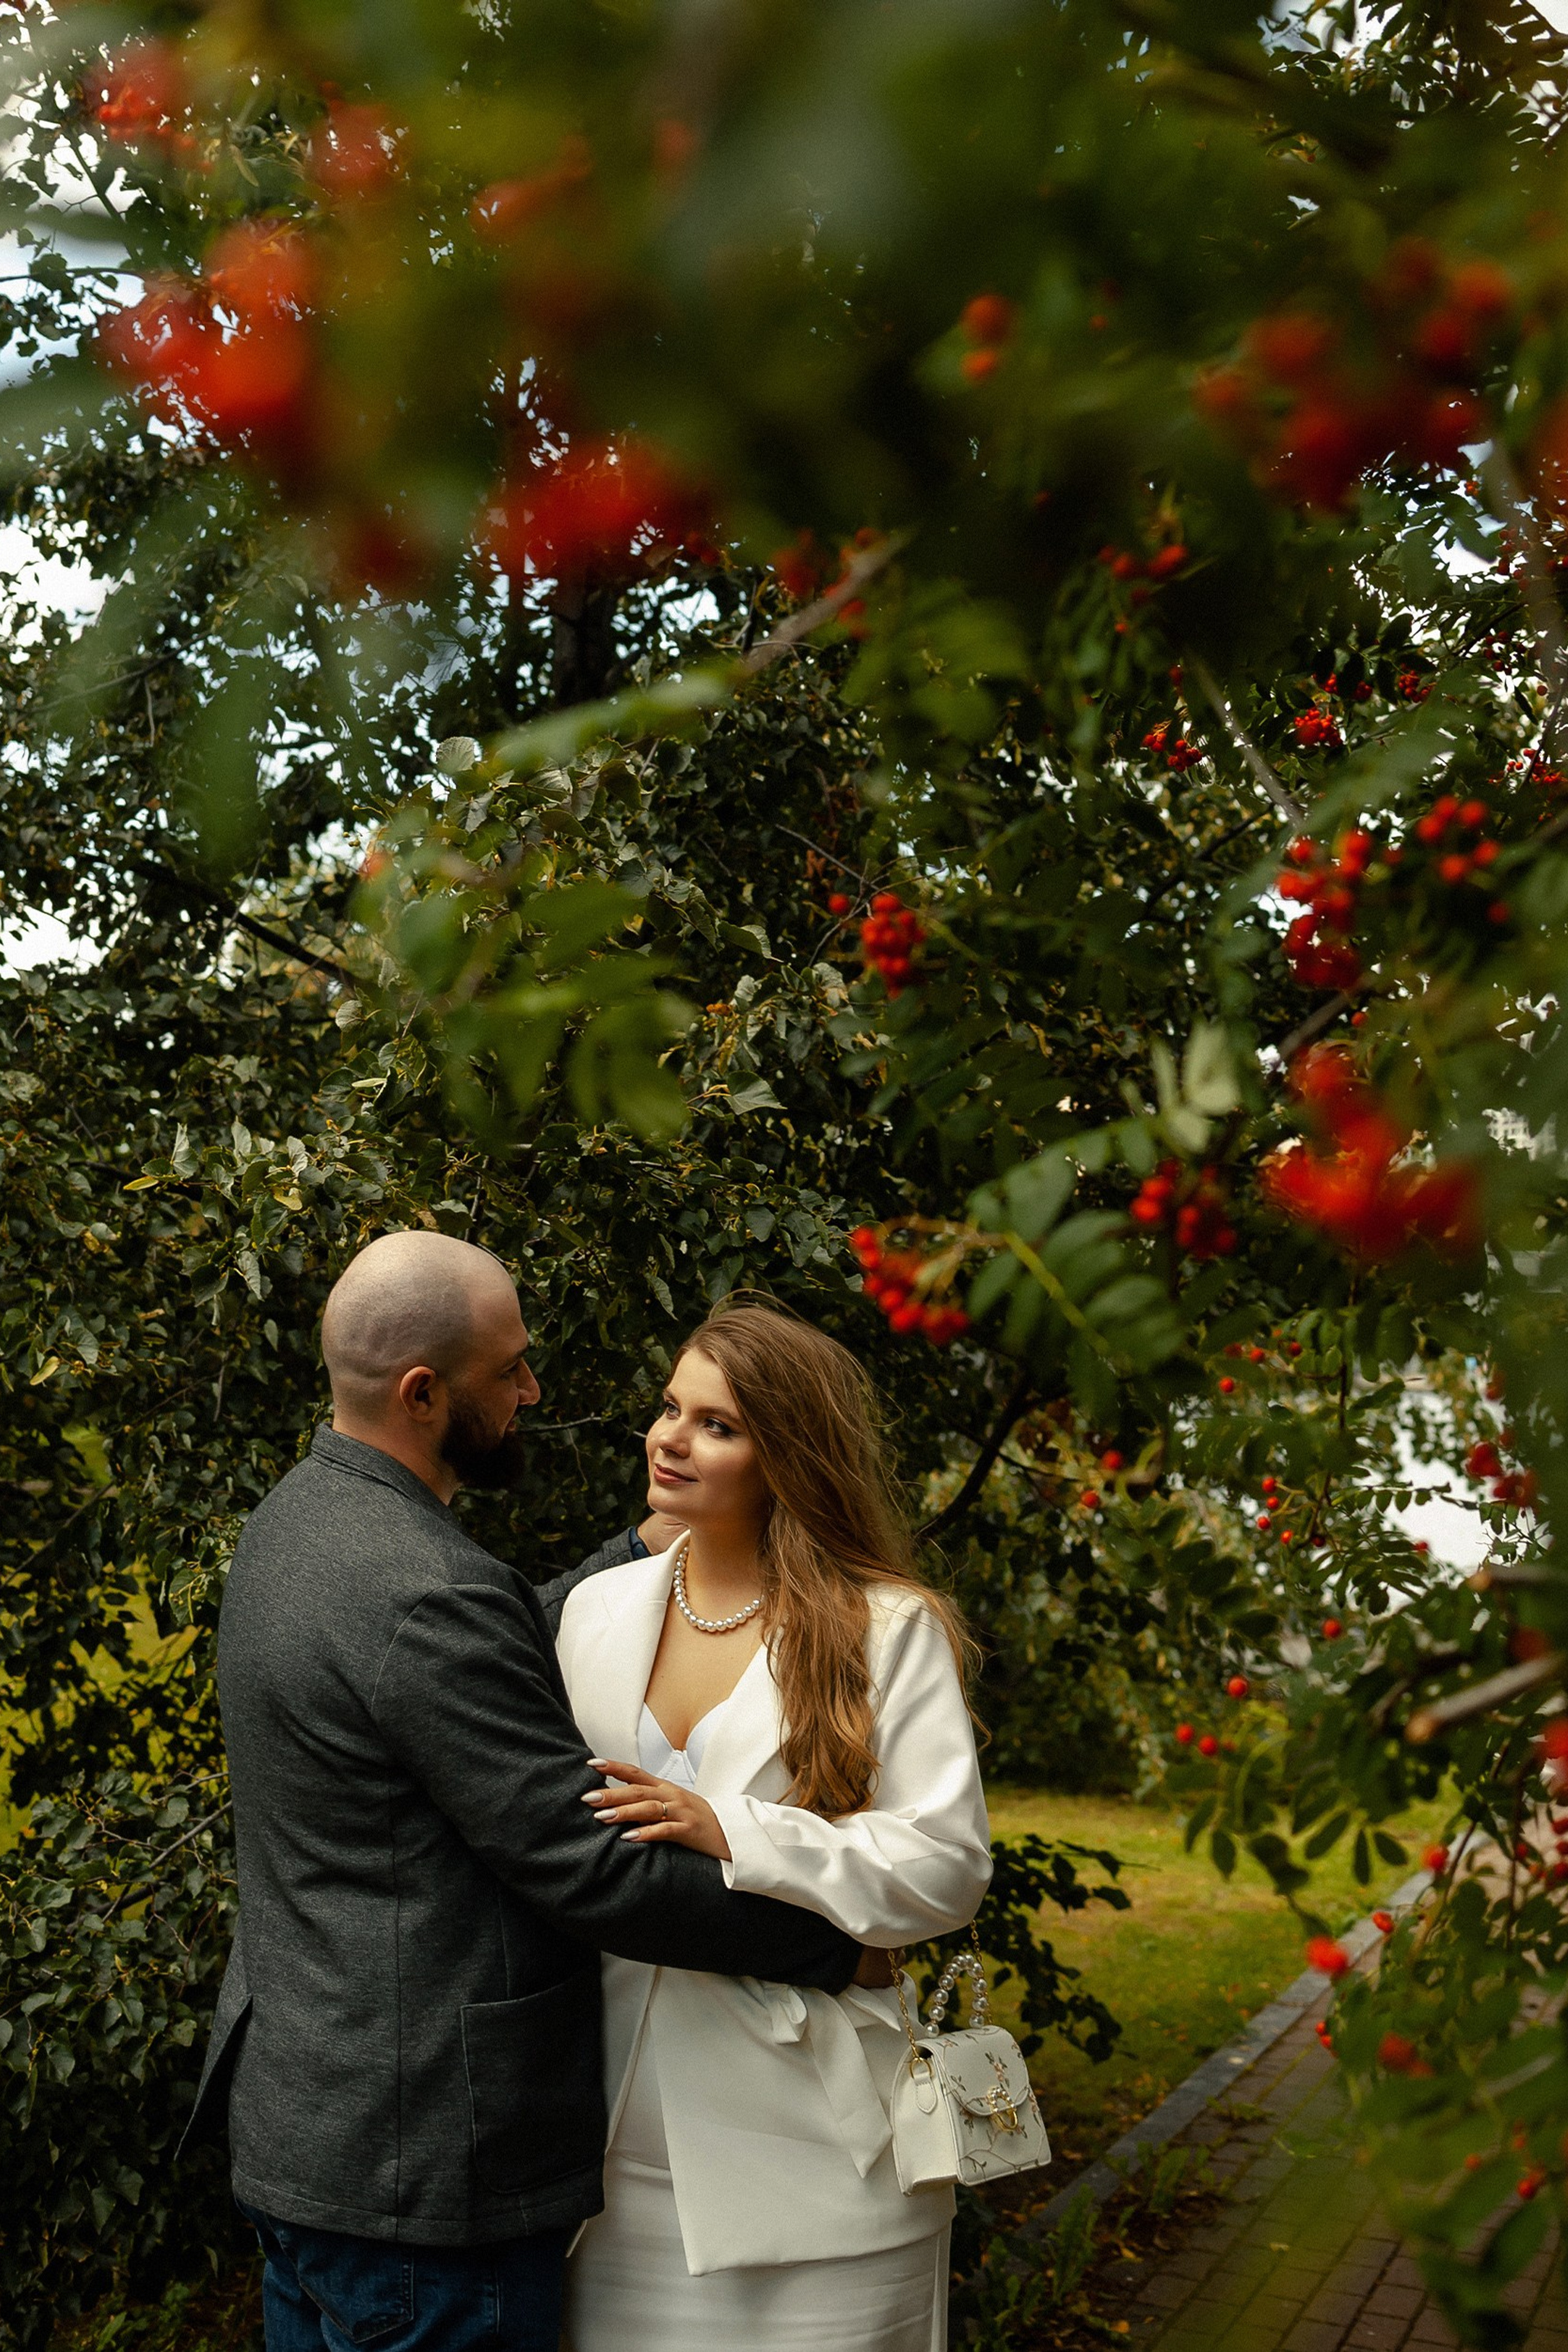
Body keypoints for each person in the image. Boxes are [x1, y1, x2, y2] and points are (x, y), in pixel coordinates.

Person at [184, 1233, 862, 2352]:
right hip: (427, 2183)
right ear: (423, 1392)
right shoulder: (427, 1593)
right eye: (510, 1371)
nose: (531, 1391)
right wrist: (835, 1946)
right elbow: (586, 1869)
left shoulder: (297, 1523)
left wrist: (639, 1549)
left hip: (308, 2137)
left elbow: (453, 1666)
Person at [556, 1302, 992, 2352]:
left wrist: (736, 1830)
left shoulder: (887, 1626)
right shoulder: (594, 1611)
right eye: (670, 1408)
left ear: (787, 1453)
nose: (671, 1437)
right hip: (604, 2157)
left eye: (719, 1424)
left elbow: (946, 1868)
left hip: (820, 2159)